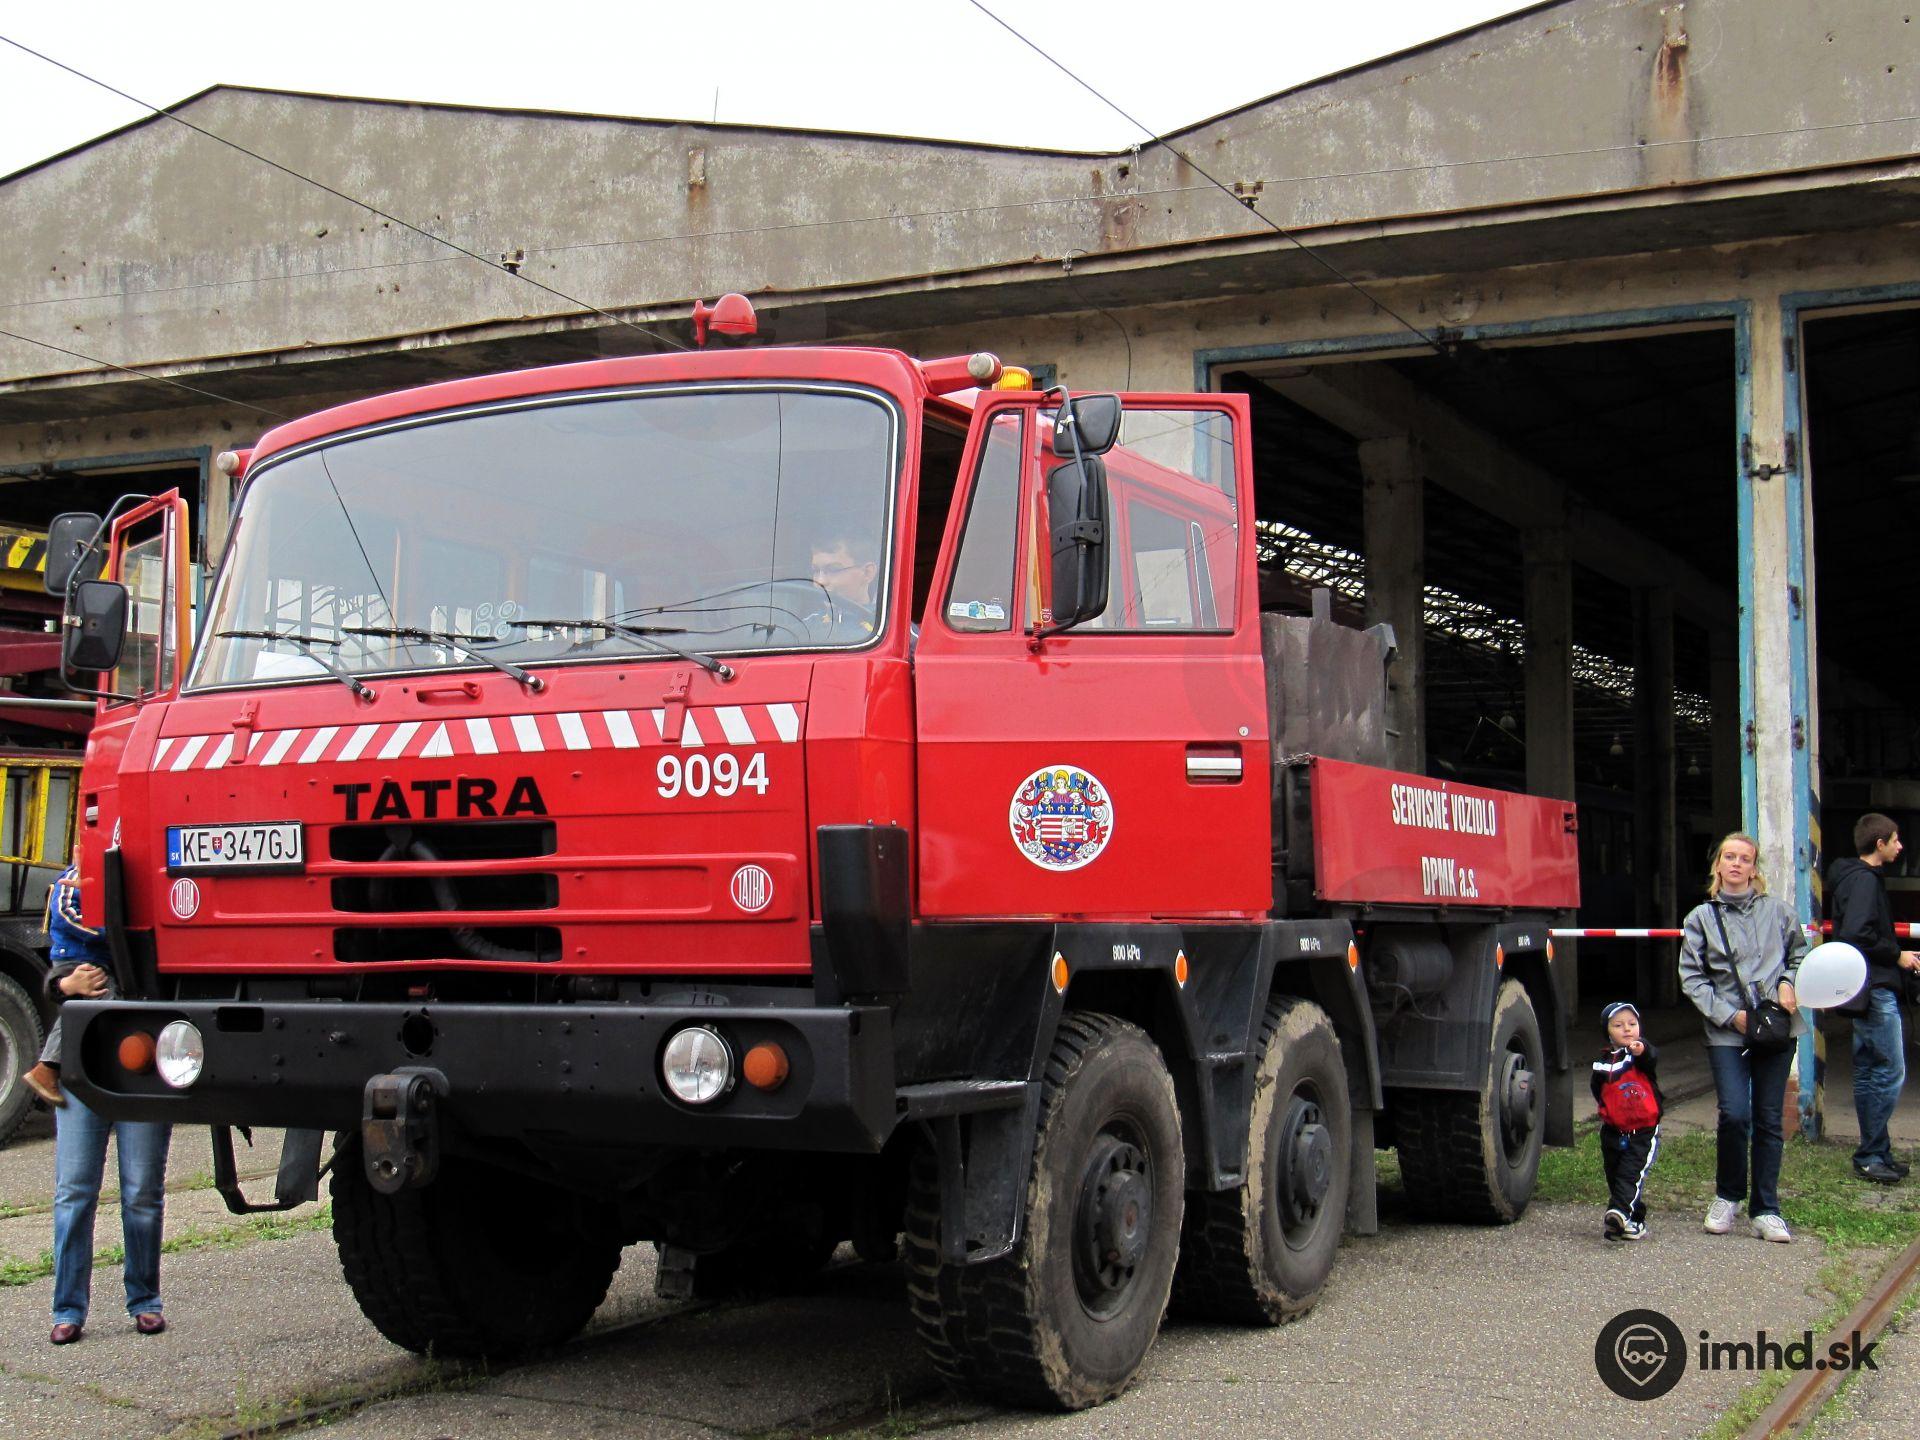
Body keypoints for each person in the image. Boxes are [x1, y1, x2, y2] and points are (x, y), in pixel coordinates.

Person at [38, 864, 172, 1344]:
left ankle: (145, 1301)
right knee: (75, 1191)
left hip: (146, 1064)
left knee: (142, 1192)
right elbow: (59, 971)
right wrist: (63, 986)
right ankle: (68, 1309)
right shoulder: (71, 888)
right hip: (85, 1064)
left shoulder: (154, 879)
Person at [1678, 832, 1805, 1243]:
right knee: (1734, 1113)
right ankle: (1727, 1196)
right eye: (1729, 857)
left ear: (1754, 868)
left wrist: (1788, 982)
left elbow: (1800, 955)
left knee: (1768, 1118)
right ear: (1718, 865)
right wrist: (1729, 1016)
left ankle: (1766, 1209)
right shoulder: (1700, 918)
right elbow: (1692, 977)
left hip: (1775, 1027)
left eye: (1744, 858)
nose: (1736, 864)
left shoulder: (1780, 912)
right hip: (1726, 1030)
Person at [1825, 812, 1920, 1185]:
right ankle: (1870, 1153)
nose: (1900, 846)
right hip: (1876, 986)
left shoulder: (1850, 877)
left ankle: (1876, 1151)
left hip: (1860, 987)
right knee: (1891, 1071)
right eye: (1895, 840)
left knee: (1867, 1071)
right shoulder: (1866, 881)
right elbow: (1859, 932)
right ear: (1879, 844)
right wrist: (1898, 955)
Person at [1593, 1001, 1662, 1241]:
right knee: (1615, 1174)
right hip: (1613, 1131)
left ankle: (1619, 1212)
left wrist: (1641, 1049)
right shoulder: (1602, 1063)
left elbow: (1651, 1056)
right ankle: (1632, 1220)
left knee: (1631, 1174)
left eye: (1632, 1024)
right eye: (1618, 1025)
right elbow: (1597, 1089)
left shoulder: (1639, 1055)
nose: (1627, 1029)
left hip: (1642, 1130)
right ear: (1607, 1032)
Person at [806, 534, 879, 642]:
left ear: (867, 573)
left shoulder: (884, 629)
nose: (821, 581)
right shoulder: (806, 627)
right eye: (816, 571)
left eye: (833, 569)